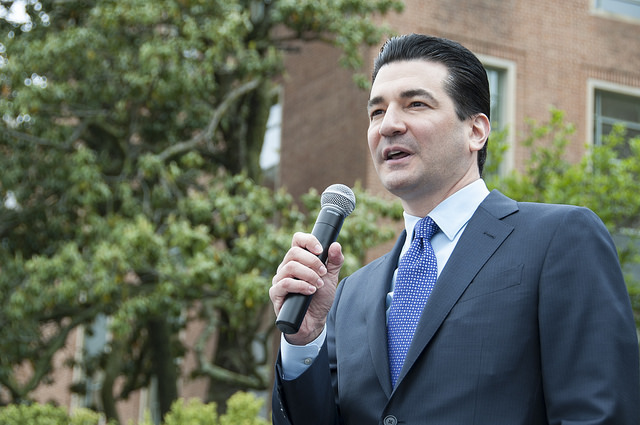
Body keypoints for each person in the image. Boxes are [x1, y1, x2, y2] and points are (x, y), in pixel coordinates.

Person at [268, 33, 640, 425]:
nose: (389, 125)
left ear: (476, 131)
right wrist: (304, 342)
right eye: (376, 112)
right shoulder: (349, 296)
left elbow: (599, 414)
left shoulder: (559, 238)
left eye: (415, 104)